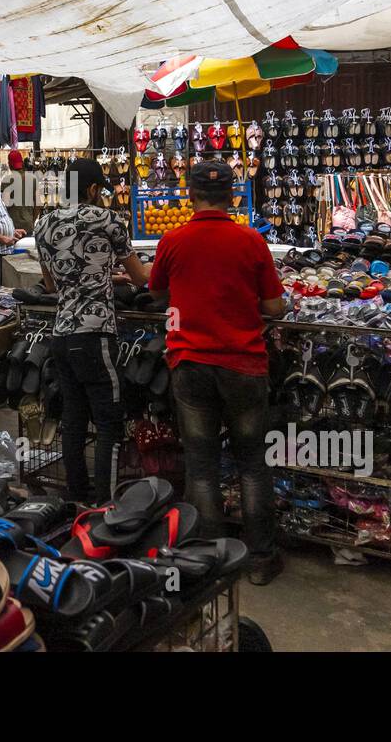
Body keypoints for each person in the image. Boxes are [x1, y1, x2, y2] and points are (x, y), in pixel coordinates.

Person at [148, 160, 286, 585]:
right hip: (243, 365)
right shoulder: (251, 241)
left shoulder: (173, 239)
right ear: (233, 196)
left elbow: (157, 293)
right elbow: (274, 308)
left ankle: (210, 560)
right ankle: (260, 560)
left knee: (202, 466)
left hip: (190, 365)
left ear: (191, 195)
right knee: (252, 464)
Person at [35, 158, 150, 504]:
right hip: (95, 334)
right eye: (99, 188)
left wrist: (97, 275)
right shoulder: (110, 220)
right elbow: (141, 278)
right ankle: (105, 504)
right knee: (109, 425)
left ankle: (76, 497)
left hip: (61, 333)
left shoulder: (44, 225)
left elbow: (51, 283)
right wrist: (113, 277)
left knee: (73, 419)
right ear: (90, 189)